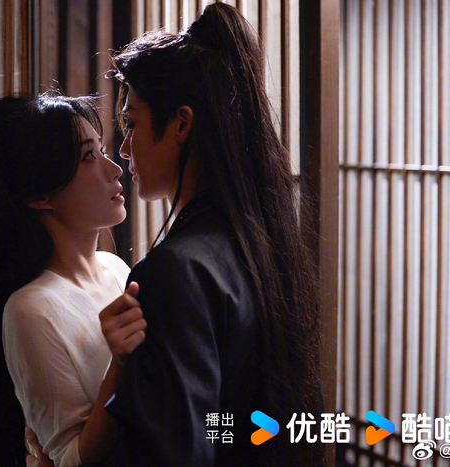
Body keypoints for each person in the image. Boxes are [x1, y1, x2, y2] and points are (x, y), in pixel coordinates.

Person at [99, 3, 326, 466]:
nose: (123, 148)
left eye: (131, 123)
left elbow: (172, 451)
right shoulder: (261, 243)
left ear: (181, 124)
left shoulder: (173, 272)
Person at [0, 93, 147, 467]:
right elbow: (68, 458)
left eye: (103, 151)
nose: (114, 169)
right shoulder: (31, 308)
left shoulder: (115, 269)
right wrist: (119, 366)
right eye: (89, 157)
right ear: (40, 194)